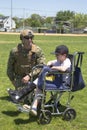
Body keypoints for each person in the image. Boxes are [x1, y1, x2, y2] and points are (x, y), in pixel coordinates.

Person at [30, 45, 71, 116]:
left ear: (64, 55)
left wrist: (54, 67)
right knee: (40, 83)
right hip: (56, 80)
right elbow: (51, 62)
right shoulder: (59, 60)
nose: (56, 56)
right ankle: (34, 106)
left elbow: (64, 69)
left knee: (40, 83)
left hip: (62, 83)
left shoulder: (67, 61)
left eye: (57, 55)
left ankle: (33, 105)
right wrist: (50, 63)